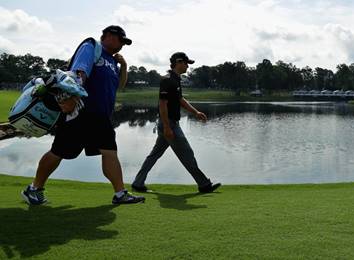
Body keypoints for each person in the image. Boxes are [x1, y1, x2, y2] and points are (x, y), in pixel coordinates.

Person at [21, 25, 145, 205]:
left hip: (100, 116)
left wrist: (124, 66)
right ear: (109, 36)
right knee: (59, 151)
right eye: (121, 41)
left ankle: (120, 194)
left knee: (109, 151)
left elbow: (120, 85)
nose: (122, 45)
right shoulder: (91, 47)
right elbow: (79, 73)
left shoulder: (112, 61)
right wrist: (72, 97)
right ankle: (33, 189)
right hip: (80, 112)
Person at [132, 52, 221, 193]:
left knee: (154, 154)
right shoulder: (167, 80)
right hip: (169, 125)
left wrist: (196, 112)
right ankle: (204, 184)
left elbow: (180, 100)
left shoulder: (176, 79)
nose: (187, 66)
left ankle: (138, 183)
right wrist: (167, 127)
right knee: (187, 153)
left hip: (169, 124)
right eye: (186, 63)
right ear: (178, 62)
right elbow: (162, 104)